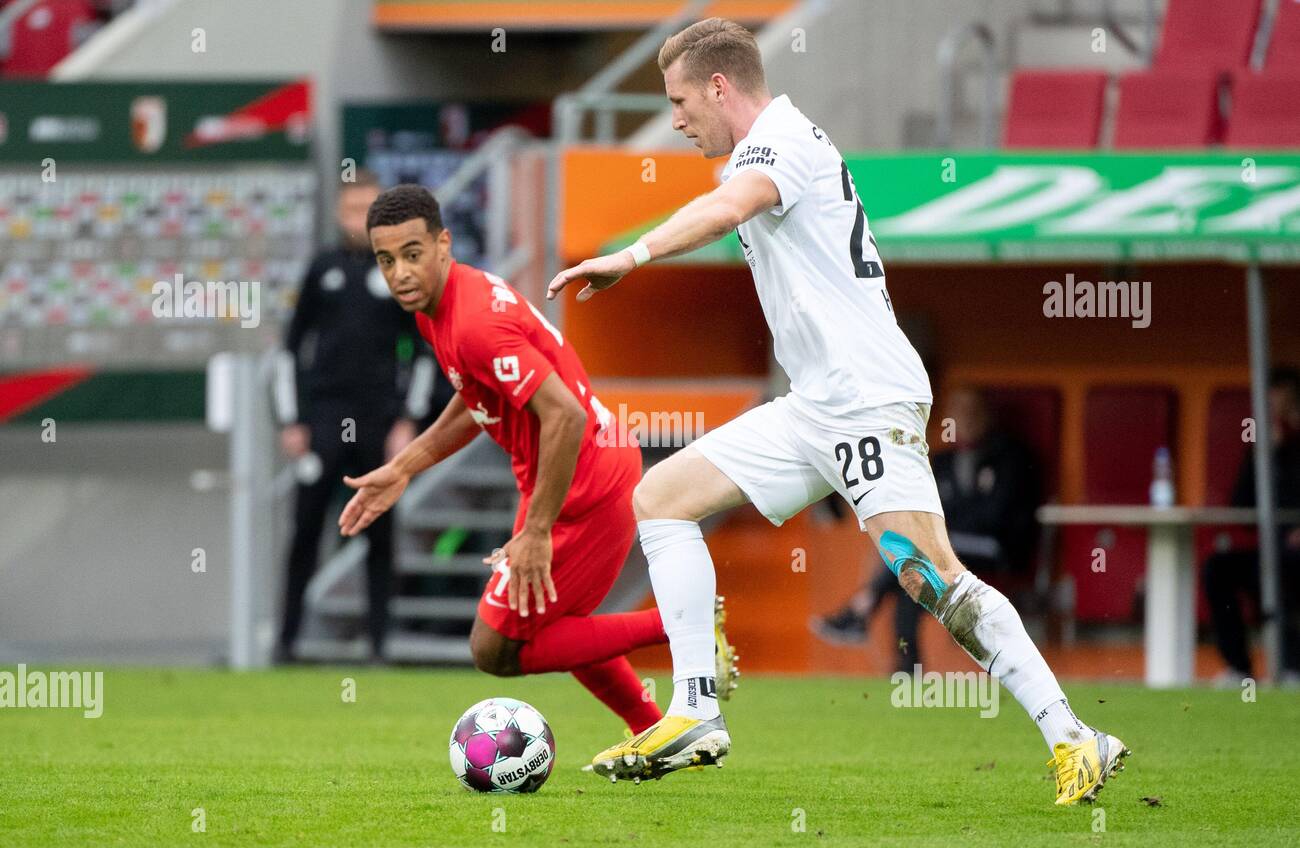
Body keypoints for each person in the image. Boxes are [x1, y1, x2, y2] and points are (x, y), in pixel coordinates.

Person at [547, 17, 1127, 804]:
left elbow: (729, 210)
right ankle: (694, 710)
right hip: (815, 400)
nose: (676, 119)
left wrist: (631, 253)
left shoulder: (776, 144)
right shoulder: (767, 146)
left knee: (928, 577)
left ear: (721, 87)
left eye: (681, 101)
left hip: (864, 394)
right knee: (661, 499)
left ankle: (1075, 738)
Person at [336, 184, 739, 738]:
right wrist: (405, 466)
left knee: (494, 647)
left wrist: (537, 531)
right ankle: (652, 725)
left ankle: (684, 625)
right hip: (572, 476)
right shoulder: (439, 309)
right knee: (553, 625)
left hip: (585, 484)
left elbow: (565, 416)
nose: (400, 272)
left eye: (412, 254)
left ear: (443, 244)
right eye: (386, 260)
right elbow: (474, 398)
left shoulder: (474, 321)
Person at [274, 172, 434, 665]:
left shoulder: (398, 272)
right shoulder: (322, 268)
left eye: (367, 212)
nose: (357, 221)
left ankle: (379, 646)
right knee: (306, 528)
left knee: (380, 533)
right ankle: (286, 644)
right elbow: (289, 350)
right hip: (323, 419)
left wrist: (408, 421)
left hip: (380, 421)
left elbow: (425, 352)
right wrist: (291, 420)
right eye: (350, 210)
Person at [812, 387, 1040, 673]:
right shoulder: (943, 462)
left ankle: (862, 607)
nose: (965, 419)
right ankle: (908, 669)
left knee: (917, 553)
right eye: (959, 412)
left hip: (997, 549)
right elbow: (930, 508)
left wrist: (949, 523)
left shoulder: (1010, 457)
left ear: (987, 416)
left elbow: (994, 515)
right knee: (911, 582)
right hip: (947, 546)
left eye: (972, 411)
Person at [1203, 366, 1300, 685]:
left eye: (1279, 395)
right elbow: (1241, 507)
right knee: (1218, 569)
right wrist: (1264, 455)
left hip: (1292, 552)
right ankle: (1241, 670)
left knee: (1280, 568)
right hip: (1275, 549)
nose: (1273, 402)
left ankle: (1291, 666)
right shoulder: (1270, 446)